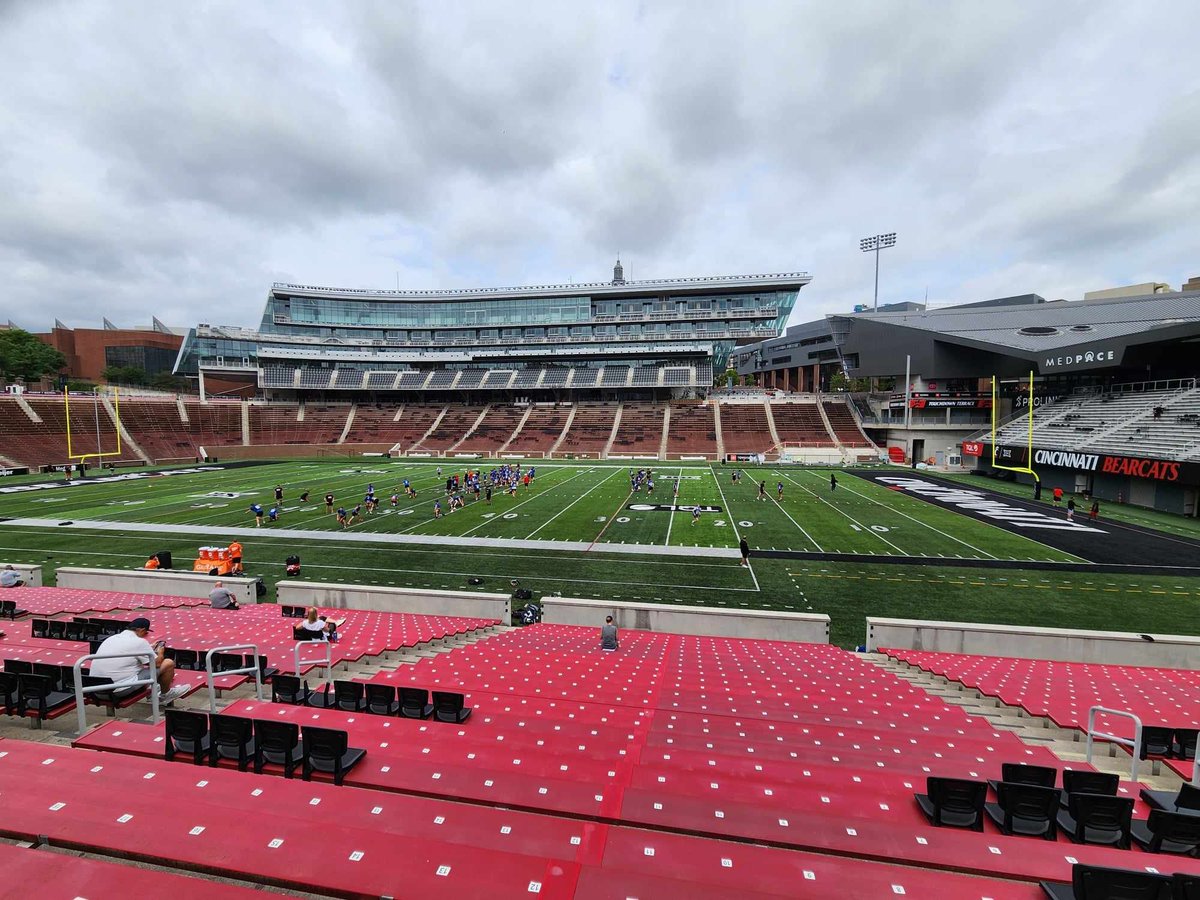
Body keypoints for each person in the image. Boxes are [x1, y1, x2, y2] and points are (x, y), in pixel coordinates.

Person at [90, 617, 187, 704]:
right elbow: (157, 663)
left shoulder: (111, 638)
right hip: (117, 691)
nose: (146, 635)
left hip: (96, 689)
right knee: (168, 663)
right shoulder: (139, 642)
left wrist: (148, 648)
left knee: (137, 665)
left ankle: (153, 690)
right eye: (146, 632)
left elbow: (127, 652)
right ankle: (166, 695)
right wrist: (160, 651)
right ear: (142, 630)